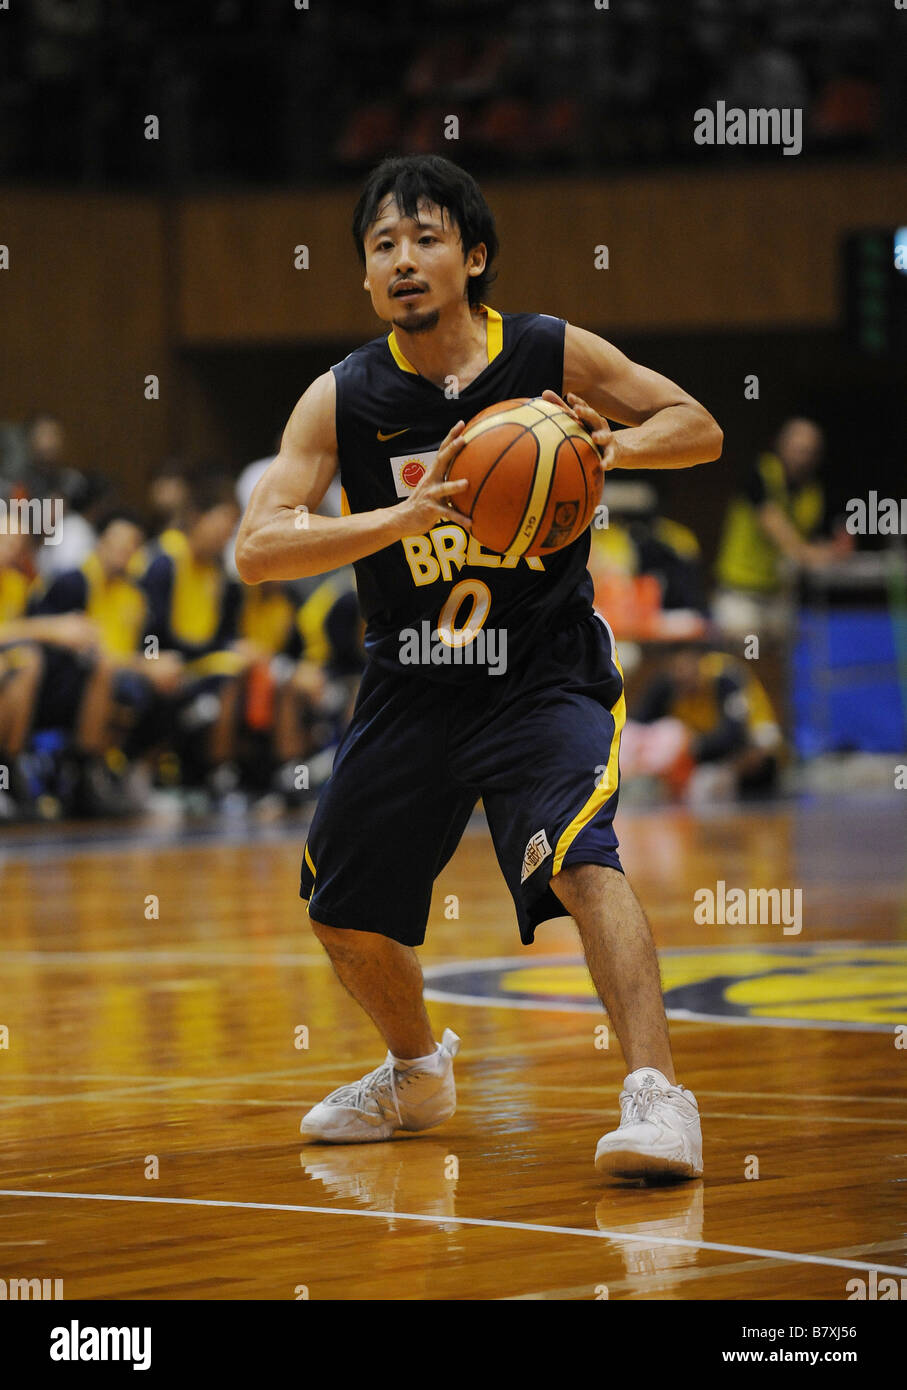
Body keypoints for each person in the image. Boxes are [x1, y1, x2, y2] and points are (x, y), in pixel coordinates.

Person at [236, 155, 723, 1180]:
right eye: (382, 247)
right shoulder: (342, 397)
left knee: (585, 862)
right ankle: (416, 1072)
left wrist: (608, 452)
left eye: (424, 238)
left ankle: (657, 1098)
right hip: (412, 679)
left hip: (541, 674)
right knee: (341, 913)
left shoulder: (546, 351)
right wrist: (398, 518)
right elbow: (257, 547)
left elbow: (697, 427)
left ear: (474, 255)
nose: (403, 260)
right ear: (367, 280)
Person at [713, 417, 852, 639]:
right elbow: (783, 535)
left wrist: (832, 550)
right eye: (797, 449)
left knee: (777, 668)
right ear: (780, 445)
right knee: (745, 662)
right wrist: (814, 554)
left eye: (809, 451)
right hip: (740, 594)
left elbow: (813, 540)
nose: (802, 458)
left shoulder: (812, 493)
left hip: (780, 596)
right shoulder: (760, 475)